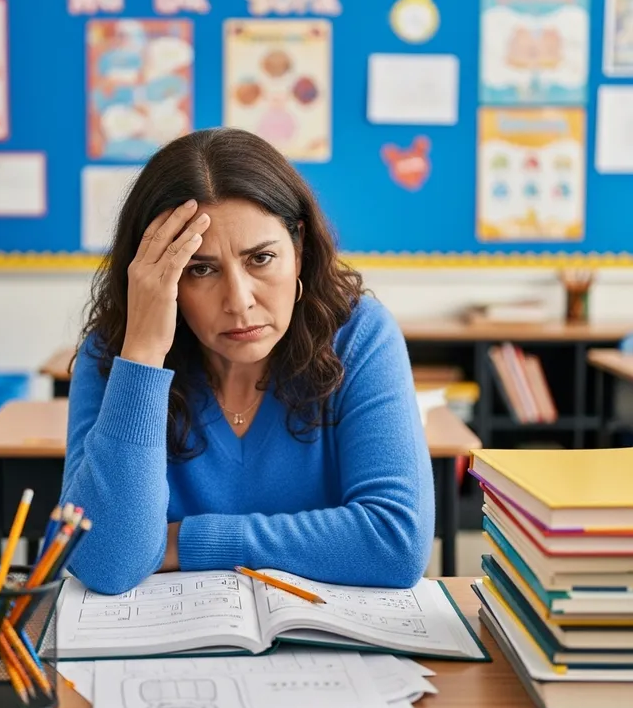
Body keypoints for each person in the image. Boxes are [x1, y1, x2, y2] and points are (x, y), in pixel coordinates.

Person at [61, 127, 434, 595]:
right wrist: (143, 356)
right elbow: (105, 563)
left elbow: (395, 544)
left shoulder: (361, 335)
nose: (238, 301)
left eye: (260, 259)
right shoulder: (119, 352)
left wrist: (185, 541)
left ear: (298, 249)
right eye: (200, 269)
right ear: (158, 273)